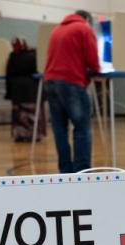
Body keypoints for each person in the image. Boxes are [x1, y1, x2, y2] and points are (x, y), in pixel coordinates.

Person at [44, 10, 100, 173]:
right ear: (87, 19)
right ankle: (82, 171)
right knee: (82, 127)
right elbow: (92, 60)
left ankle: (65, 170)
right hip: (71, 82)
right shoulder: (84, 28)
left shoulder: (56, 30)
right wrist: (96, 71)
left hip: (50, 82)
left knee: (60, 129)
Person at [5, 38, 45, 142]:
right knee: (32, 114)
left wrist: (9, 93)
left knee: (19, 114)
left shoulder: (12, 56)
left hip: (17, 90)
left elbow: (8, 77)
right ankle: (34, 135)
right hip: (32, 90)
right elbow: (41, 73)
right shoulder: (34, 55)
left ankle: (19, 135)